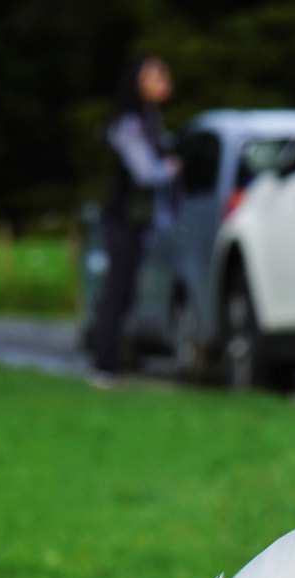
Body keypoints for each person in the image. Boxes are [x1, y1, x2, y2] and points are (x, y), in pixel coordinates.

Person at [88, 54, 179, 383]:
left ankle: (111, 362)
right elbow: (144, 172)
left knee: (125, 291)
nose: (163, 80)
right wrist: (168, 169)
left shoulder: (151, 119)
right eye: (154, 76)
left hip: (138, 220)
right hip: (122, 218)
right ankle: (104, 365)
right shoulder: (129, 123)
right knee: (118, 290)